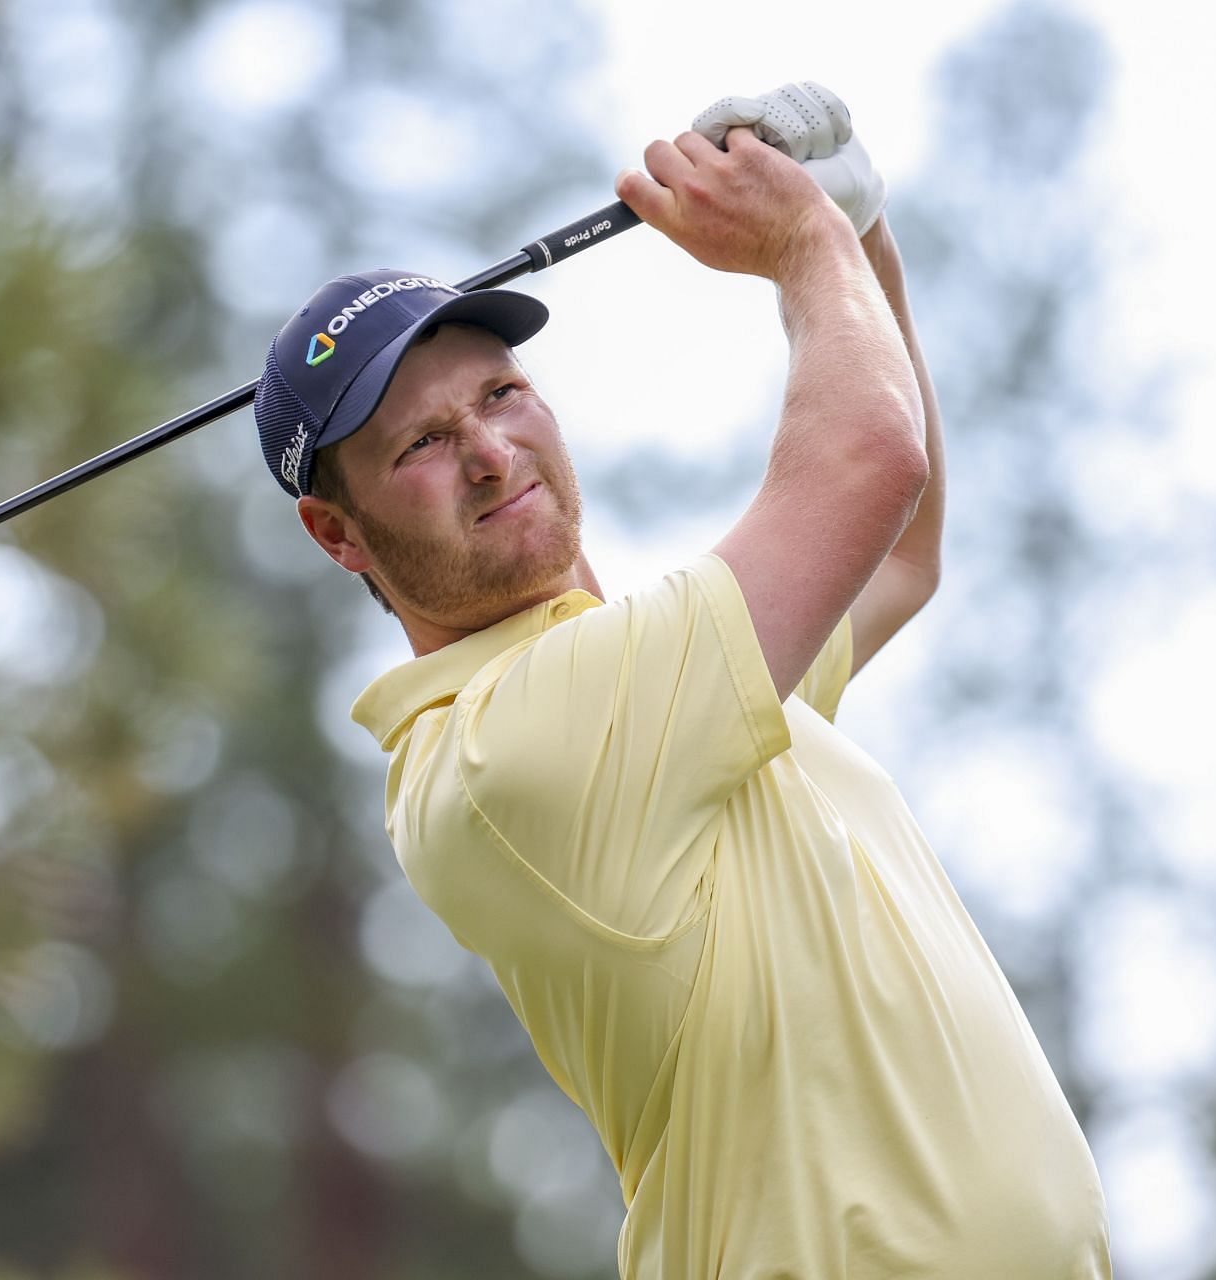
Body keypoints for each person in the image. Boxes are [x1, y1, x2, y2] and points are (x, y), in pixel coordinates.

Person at [252, 83, 1111, 1279]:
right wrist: (806, 243)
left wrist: (858, 236)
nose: (493, 453)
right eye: (421, 445)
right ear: (338, 536)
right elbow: (867, 459)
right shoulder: (507, 748)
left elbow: (901, 553)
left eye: (500, 393)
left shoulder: (671, 694)